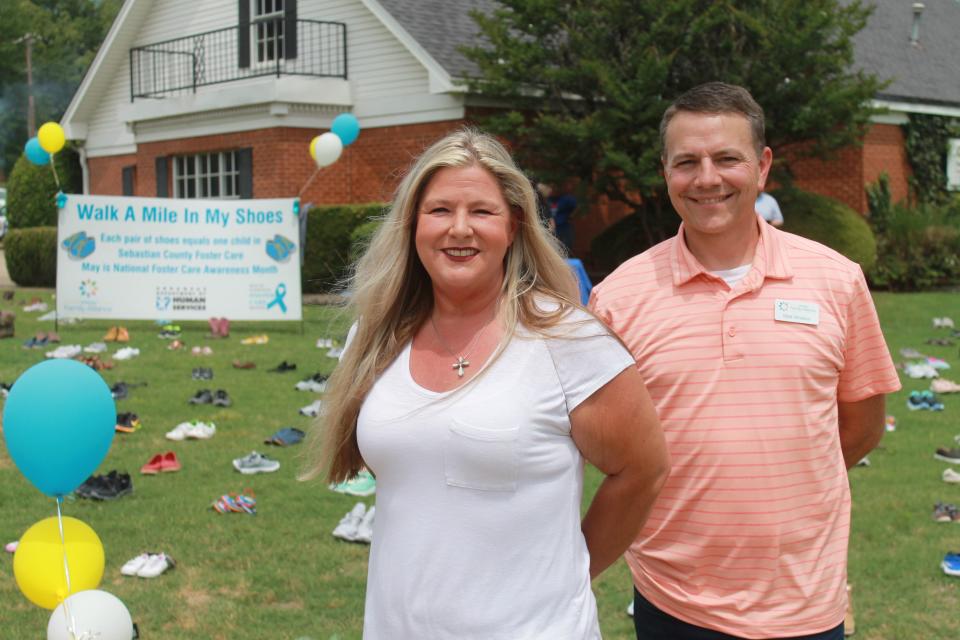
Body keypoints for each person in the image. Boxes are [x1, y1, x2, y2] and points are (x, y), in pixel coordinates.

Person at [302, 128, 669, 639]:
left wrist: (569, 574)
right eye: (439, 211)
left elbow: (643, 469)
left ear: (514, 224)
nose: (459, 229)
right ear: (412, 224)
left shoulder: (568, 339)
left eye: (481, 211)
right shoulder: (375, 339)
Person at [589, 82, 900, 640]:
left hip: (806, 601)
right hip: (673, 599)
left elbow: (860, 426)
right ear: (665, 172)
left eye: (726, 158)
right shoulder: (618, 299)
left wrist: (782, 482)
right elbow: (609, 448)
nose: (706, 178)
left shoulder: (837, 279)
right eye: (687, 162)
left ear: (762, 166)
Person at [548, 182, 578, 253]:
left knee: (566, 248)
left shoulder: (567, 199)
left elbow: (577, 208)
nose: (553, 189)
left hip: (564, 227)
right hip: (551, 228)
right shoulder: (547, 200)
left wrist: (570, 217)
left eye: (555, 187)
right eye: (551, 187)